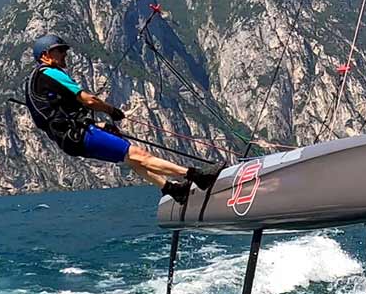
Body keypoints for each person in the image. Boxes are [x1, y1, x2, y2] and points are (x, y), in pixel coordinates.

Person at [23, 34, 222, 204]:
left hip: (71, 139)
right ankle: (197, 176)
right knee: (138, 154)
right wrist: (112, 111)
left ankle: (171, 189)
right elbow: (89, 101)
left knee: (129, 158)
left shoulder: (35, 81)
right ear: (46, 56)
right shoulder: (50, 72)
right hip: (79, 135)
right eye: (59, 51)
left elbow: (58, 116)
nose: (64, 54)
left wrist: (98, 124)